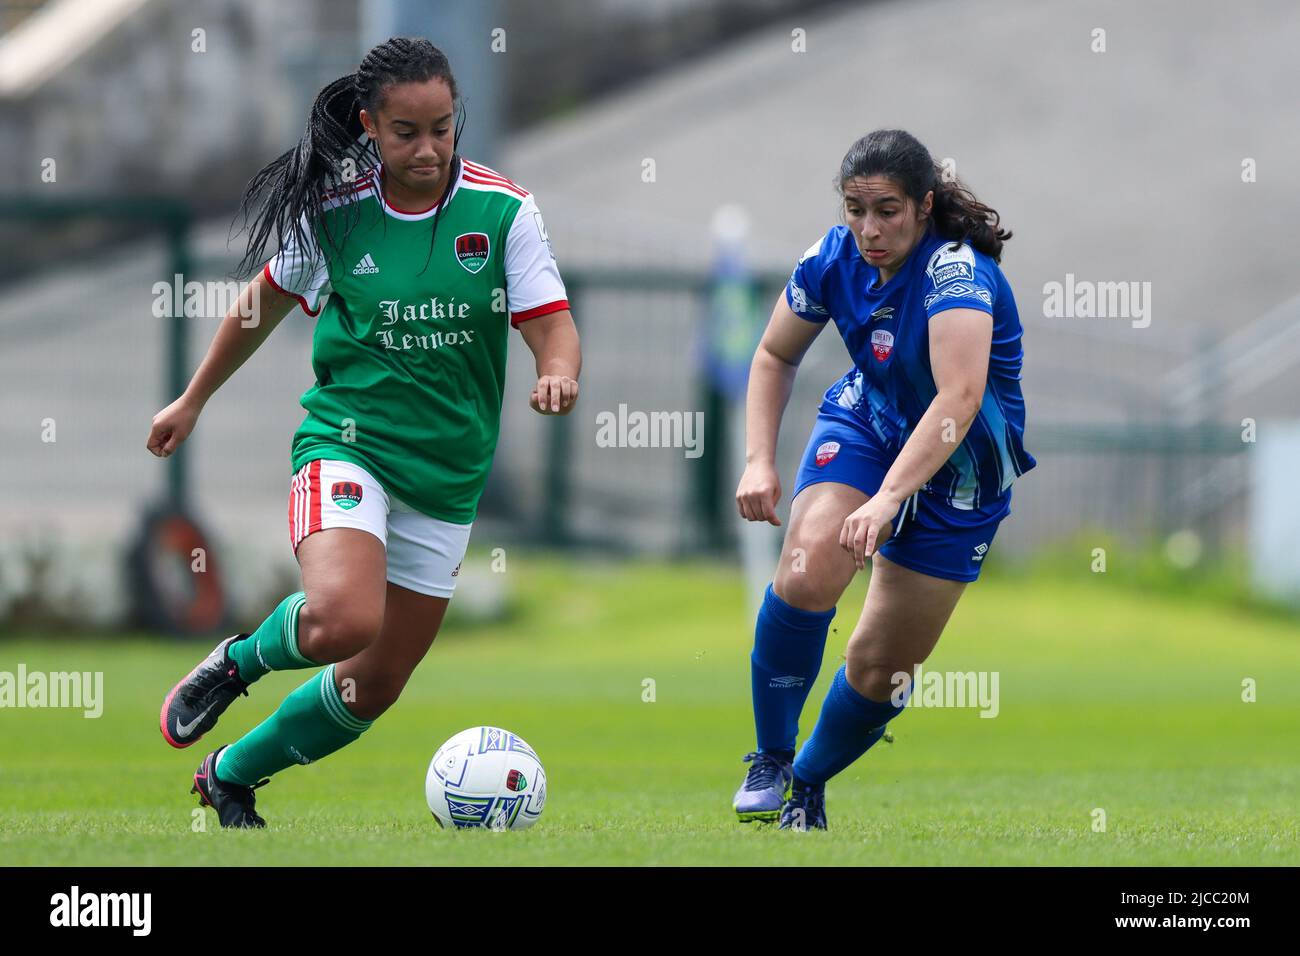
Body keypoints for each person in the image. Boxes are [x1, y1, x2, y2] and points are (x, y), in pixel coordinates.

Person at [147, 37, 580, 828]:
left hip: (446, 480)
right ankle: (236, 663)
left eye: (442, 129)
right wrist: (192, 399)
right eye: (407, 131)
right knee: (345, 618)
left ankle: (230, 775)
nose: (428, 149)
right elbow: (259, 306)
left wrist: (558, 371)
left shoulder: (504, 210)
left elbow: (551, 321)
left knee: (372, 682)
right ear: (369, 127)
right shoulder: (337, 218)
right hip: (347, 447)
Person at [732, 129, 1034, 830]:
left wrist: (891, 498)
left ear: (924, 206)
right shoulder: (829, 257)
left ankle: (807, 783)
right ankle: (772, 757)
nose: (868, 229)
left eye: (888, 211)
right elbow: (774, 353)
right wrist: (757, 459)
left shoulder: (957, 273)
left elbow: (958, 400)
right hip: (867, 425)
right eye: (855, 209)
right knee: (809, 562)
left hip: (962, 471)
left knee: (879, 667)